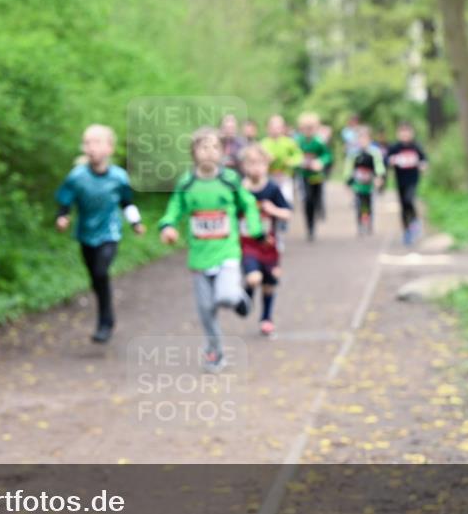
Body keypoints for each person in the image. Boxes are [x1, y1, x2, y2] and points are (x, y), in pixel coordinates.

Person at [158, 127, 263, 371]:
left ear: (222, 152)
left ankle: (239, 299)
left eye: (214, 147)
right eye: (203, 147)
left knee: (224, 296)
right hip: (199, 256)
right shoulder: (188, 182)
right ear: (193, 152)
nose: (209, 152)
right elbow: (174, 208)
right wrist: (168, 226)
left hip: (226, 251)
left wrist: (255, 228)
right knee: (206, 310)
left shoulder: (230, 179)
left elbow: (247, 204)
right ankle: (215, 352)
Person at [55, 125, 144, 343]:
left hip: (109, 233)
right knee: (96, 277)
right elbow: (66, 200)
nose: (91, 147)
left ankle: (106, 321)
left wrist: (136, 222)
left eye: (96, 142)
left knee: (101, 271)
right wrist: (62, 217)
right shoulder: (77, 177)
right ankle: (105, 312)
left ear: (109, 148)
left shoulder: (119, 177)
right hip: (86, 235)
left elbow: (127, 202)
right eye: (87, 143)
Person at [238, 144, 292, 337]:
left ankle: (266, 319)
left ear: (267, 166)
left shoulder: (272, 188)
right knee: (254, 278)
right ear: (244, 166)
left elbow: (287, 213)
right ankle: (247, 298)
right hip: (247, 245)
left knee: (270, 283)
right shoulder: (239, 191)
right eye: (251, 163)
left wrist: (273, 210)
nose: (256, 168)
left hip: (270, 245)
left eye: (260, 163)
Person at [385, 122, 429, 245]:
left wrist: (423, 165)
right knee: (403, 205)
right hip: (400, 180)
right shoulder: (395, 147)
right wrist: (390, 161)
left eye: (407, 132)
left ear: (411, 134)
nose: (404, 135)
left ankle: (415, 222)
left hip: (413, 179)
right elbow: (386, 160)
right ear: (398, 134)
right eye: (402, 133)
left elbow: (424, 159)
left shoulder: (416, 147)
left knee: (409, 199)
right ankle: (406, 231)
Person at [294, 112, 332, 241]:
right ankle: (309, 227)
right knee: (307, 200)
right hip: (304, 175)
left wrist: (320, 162)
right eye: (306, 128)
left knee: (317, 199)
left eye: (311, 127)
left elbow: (327, 156)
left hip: (317, 176)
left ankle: (317, 216)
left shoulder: (319, 142)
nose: (308, 130)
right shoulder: (298, 141)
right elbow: (294, 155)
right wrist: (299, 162)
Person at [343, 126, 386, 236]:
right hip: (358, 184)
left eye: (365, 138)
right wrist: (348, 181)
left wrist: (379, 177)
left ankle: (369, 222)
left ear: (370, 139)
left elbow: (379, 166)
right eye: (360, 138)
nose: (362, 141)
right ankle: (360, 225)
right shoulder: (353, 153)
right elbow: (348, 167)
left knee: (368, 204)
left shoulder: (374, 152)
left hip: (370, 184)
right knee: (358, 204)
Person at [259, 114, 301, 205]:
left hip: (285, 177)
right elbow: (258, 159)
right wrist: (266, 160)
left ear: (283, 128)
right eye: (273, 127)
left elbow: (298, 156)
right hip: (269, 177)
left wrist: (290, 161)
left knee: (286, 200)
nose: (275, 130)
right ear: (268, 128)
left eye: (278, 127)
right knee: (269, 201)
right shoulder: (264, 143)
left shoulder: (289, 142)